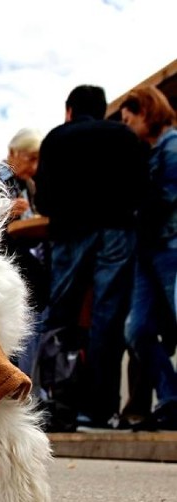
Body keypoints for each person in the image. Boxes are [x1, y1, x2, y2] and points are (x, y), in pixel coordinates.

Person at [34, 85, 149, 431]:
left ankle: (60, 404)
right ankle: (101, 410)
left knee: (62, 318)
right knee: (107, 319)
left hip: (70, 233)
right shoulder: (124, 136)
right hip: (116, 231)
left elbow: (44, 197)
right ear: (102, 111)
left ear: (69, 110)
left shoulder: (56, 138)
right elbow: (142, 186)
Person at [118, 86, 177, 431]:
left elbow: (166, 197)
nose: (127, 127)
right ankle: (171, 399)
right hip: (149, 251)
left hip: (169, 245)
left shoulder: (172, 147)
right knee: (137, 329)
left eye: (130, 119)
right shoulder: (152, 152)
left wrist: (132, 213)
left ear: (146, 112)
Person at [0, 128, 49, 378]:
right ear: (12, 153)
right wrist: (5, 209)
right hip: (1, 262)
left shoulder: (28, 184)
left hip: (23, 255)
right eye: (30, 158)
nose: (34, 165)